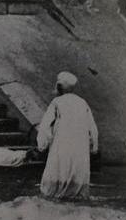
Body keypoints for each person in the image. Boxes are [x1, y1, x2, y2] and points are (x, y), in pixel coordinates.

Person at [36, 72, 98, 200]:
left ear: (59, 86)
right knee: (77, 181)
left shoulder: (57, 102)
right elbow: (92, 128)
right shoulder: (82, 102)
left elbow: (45, 126)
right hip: (80, 148)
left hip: (62, 145)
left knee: (56, 175)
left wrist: (42, 145)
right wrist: (94, 147)